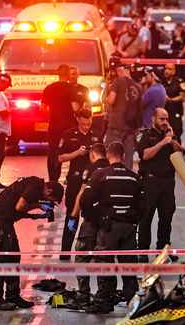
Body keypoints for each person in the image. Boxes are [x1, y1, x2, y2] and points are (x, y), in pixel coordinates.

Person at [81, 142, 143, 314]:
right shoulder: (133, 177)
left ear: (108, 156)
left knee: (105, 264)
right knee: (129, 265)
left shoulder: (101, 175)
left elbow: (85, 200)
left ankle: (104, 301)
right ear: (122, 156)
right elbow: (142, 204)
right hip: (129, 228)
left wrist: (98, 220)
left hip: (108, 228)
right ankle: (133, 302)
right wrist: (133, 220)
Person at [0, 177, 63, 310]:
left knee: (13, 257)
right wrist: (38, 205)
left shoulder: (35, 185)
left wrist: (38, 208)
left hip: (5, 221)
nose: (48, 202)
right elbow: (20, 206)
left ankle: (12, 296)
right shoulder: (35, 186)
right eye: (51, 200)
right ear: (49, 191)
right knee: (0, 259)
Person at [137, 108, 184, 262]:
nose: (164, 122)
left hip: (167, 182)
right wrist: (163, 142)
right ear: (153, 119)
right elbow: (145, 155)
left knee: (166, 218)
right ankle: (142, 251)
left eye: (166, 119)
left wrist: (172, 138)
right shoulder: (145, 135)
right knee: (146, 218)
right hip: (150, 182)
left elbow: (181, 152)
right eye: (161, 119)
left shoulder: (170, 136)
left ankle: (163, 250)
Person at [57, 108, 101, 261]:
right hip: (75, 181)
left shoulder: (96, 135)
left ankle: (91, 251)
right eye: (83, 124)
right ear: (77, 119)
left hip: (92, 181)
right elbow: (60, 157)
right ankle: (65, 251)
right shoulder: (69, 135)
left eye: (88, 124)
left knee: (93, 217)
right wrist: (77, 153)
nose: (86, 127)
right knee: (72, 215)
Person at [71, 143, 110, 306]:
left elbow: (82, 193)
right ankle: (104, 295)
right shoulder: (111, 168)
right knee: (103, 259)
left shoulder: (91, 169)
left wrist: (73, 216)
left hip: (90, 222)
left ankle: (83, 294)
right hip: (107, 222)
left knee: (81, 256)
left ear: (93, 154)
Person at [105, 64, 143, 170]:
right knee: (128, 162)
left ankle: (110, 181)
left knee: (110, 158)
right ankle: (126, 182)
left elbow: (111, 100)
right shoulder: (139, 87)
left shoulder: (118, 82)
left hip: (115, 128)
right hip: (130, 131)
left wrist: (107, 91)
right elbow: (140, 111)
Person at [42, 64, 73, 182]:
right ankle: (72, 178)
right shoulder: (72, 89)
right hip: (69, 126)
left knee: (53, 152)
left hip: (54, 126)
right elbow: (75, 108)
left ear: (58, 74)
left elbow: (43, 108)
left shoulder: (49, 88)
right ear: (68, 75)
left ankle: (53, 179)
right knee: (73, 152)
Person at [163, 63, 185, 143]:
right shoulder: (161, 81)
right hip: (164, 112)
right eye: (165, 68)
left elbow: (182, 97)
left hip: (176, 111)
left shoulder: (180, 81)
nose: (166, 71)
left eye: (169, 69)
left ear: (174, 71)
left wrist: (170, 100)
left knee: (176, 132)